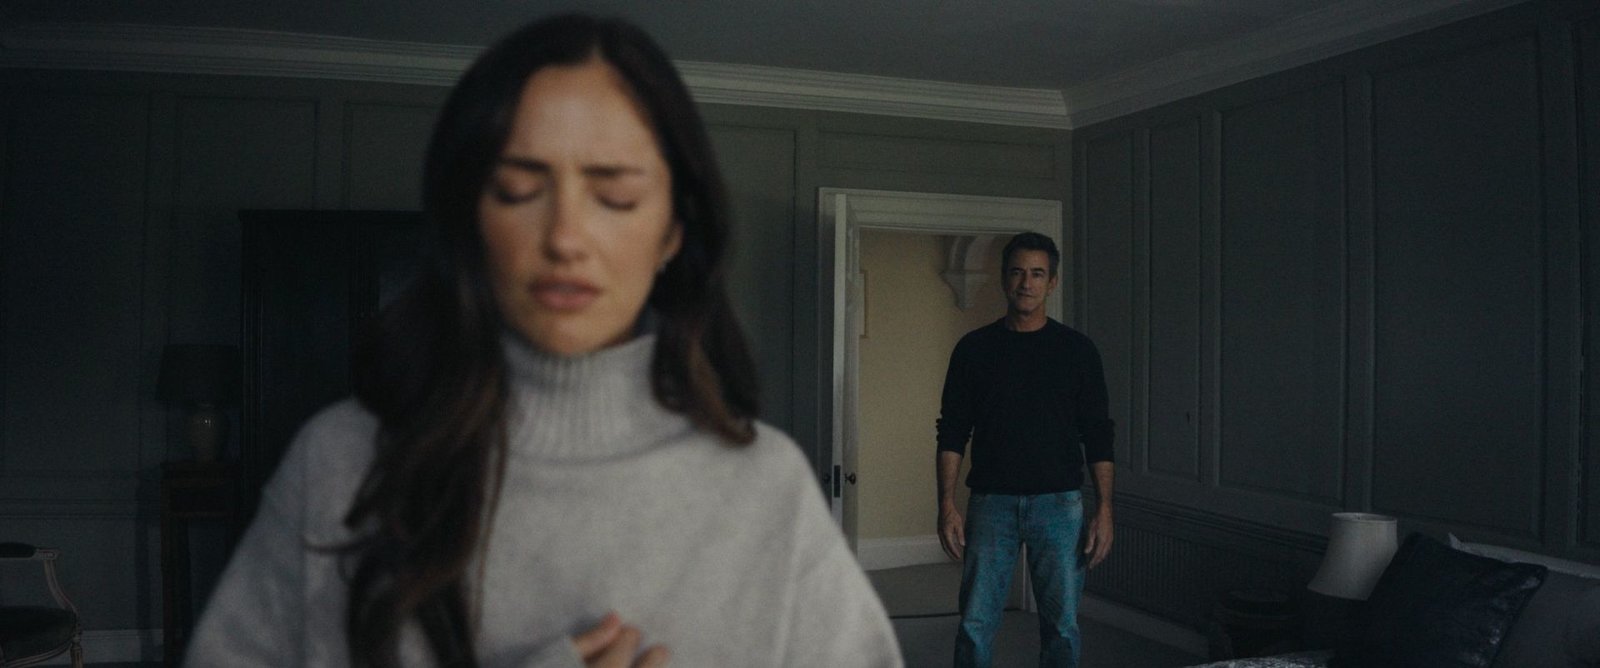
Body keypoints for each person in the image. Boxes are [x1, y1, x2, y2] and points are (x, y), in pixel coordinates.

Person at [186, 14, 901, 667]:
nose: (564, 238)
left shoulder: (767, 490)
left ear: (672, 234)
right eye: (518, 191)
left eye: (615, 197)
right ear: (470, 221)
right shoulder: (337, 464)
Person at [934, 232, 1115, 667]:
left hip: (1060, 506)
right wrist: (946, 504)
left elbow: (1098, 433)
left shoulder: (1078, 351)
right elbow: (952, 431)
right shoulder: (974, 349)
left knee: (1062, 627)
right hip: (991, 504)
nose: (1026, 283)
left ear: (1052, 282)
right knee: (975, 624)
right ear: (1004, 278)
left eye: (1037, 274)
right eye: (1017, 272)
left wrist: (1105, 508)